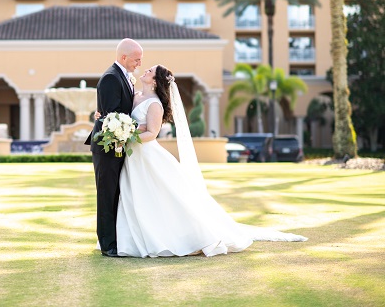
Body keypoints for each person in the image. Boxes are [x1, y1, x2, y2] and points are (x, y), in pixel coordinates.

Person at [115, 64, 307, 258]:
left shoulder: (154, 104)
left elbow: (152, 133)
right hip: (133, 157)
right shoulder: (136, 95)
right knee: (135, 195)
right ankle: (132, 238)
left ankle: (177, 237)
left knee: (159, 196)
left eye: (150, 71)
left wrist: (128, 134)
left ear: (155, 81)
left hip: (147, 156)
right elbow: (126, 118)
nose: (146, 70)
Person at [85, 38, 143, 258]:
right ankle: (108, 245)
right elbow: (112, 116)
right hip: (107, 146)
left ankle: (115, 239)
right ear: (124, 57)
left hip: (117, 145)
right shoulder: (111, 77)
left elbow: (113, 111)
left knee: (117, 194)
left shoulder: (124, 77)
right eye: (136, 59)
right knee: (107, 195)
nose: (139, 63)